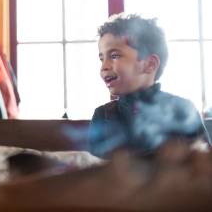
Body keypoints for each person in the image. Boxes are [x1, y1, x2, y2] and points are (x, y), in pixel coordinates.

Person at [89, 13, 210, 158]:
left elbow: (205, 165)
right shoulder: (103, 115)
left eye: (114, 56)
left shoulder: (183, 110)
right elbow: (95, 170)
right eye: (102, 59)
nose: (104, 67)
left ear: (150, 64)